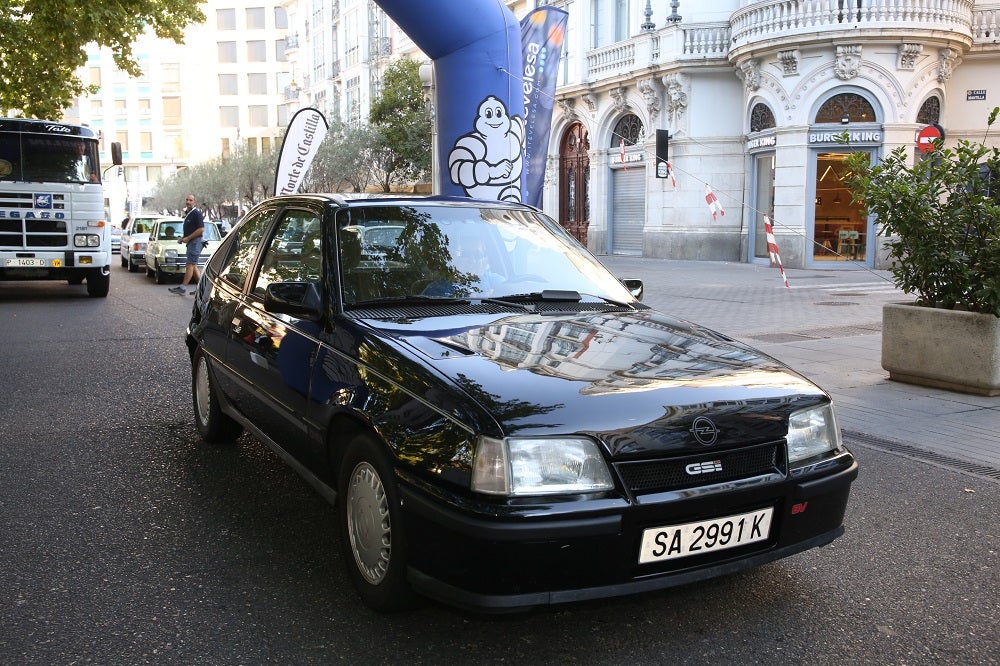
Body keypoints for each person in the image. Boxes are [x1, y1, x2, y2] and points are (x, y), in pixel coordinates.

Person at [168, 194, 205, 295]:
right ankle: (202, 289)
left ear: (194, 202)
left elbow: (201, 229)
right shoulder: (189, 213)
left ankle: (182, 287)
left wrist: (188, 238)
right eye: (187, 200)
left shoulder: (196, 214)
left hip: (195, 242)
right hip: (191, 242)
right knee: (193, 266)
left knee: (190, 265)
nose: (188, 202)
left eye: (191, 200)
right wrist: (183, 239)